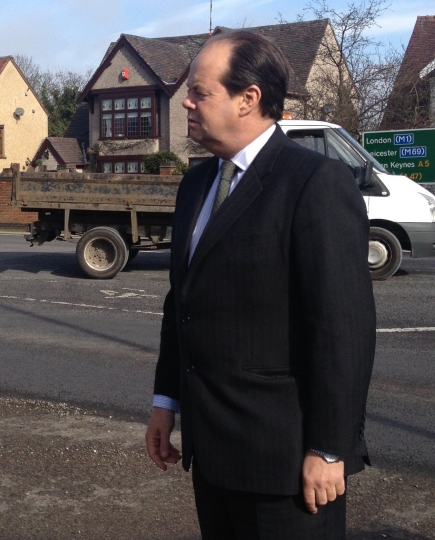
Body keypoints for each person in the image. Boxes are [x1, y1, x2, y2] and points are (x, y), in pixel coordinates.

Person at [145, 31, 375, 539]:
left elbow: (343, 329)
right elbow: (181, 302)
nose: (186, 101)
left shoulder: (314, 183)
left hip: (287, 468)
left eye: (200, 92)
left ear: (247, 98)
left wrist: (329, 448)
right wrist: (167, 401)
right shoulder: (197, 185)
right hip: (212, 456)